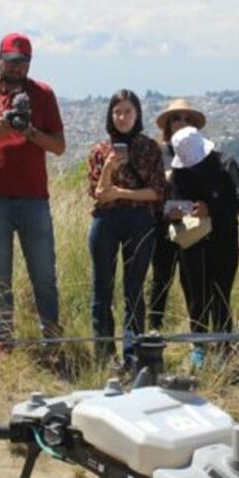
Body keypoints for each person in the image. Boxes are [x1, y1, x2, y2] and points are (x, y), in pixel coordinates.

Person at [0, 33, 66, 343]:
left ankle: (52, 338)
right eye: (11, 61)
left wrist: (30, 131)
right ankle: (4, 339)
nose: (17, 67)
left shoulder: (43, 94)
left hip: (34, 197)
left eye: (23, 62)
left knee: (44, 275)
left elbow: (59, 146)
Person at [87, 89, 165, 364]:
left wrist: (120, 192)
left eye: (128, 111)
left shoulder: (149, 148)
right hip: (106, 220)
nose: (122, 117)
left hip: (139, 221)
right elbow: (96, 192)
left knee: (133, 289)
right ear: (110, 115)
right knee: (101, 288)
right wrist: (108, 168)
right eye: (117, 112)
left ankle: (133, 351)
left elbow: (156, 192)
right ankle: (104, 352)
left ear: (137, 114)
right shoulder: (100, 150)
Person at [169, 124, 239, 365]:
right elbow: (173, 200)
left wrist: (211, 209)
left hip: (223, 238)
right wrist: (178, 211)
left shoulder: (226, 164)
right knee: (196, 295)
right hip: (193, 241)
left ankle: (224, 347)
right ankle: (199, 346)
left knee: (221, 295)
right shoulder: (180, 172)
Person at [146, 99, 206, 334]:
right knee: (160, 279)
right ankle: (154, 330)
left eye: (186, 119)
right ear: (168, 125)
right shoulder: (158, 153)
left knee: (193, 282)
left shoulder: (200, 153)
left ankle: (197, 333)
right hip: (162, 223)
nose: (181, 123)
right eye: (176, 118)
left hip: (191, 222)